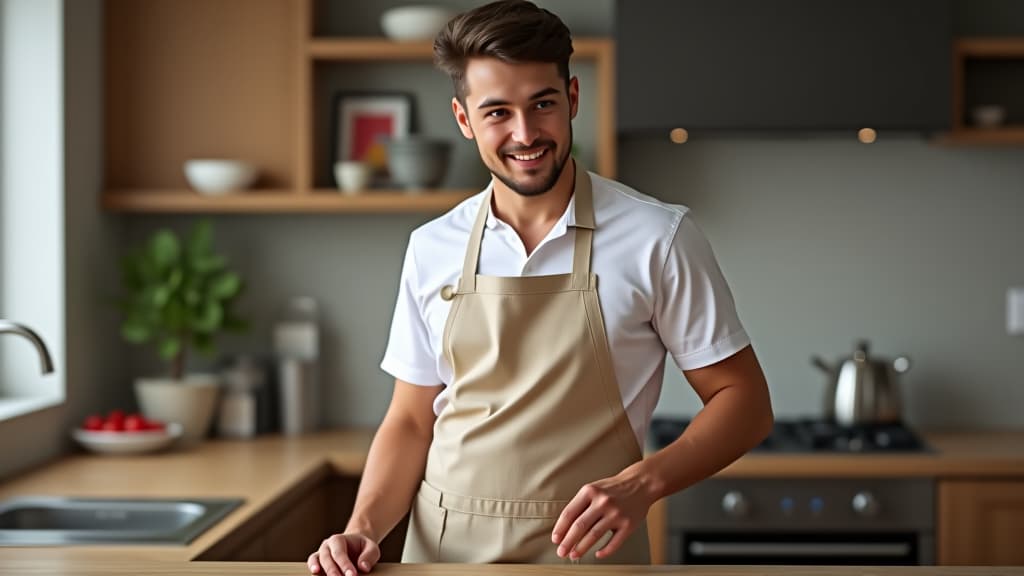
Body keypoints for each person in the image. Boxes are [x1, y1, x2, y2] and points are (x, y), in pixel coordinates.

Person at [309, 1, 772, 572]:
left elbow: (745, 403)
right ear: (463, 119)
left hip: (589, 551)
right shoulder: (432, 246)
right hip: (445, 551)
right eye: (497, 112)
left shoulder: (659, 236)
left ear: (572, 99)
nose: (525, 134)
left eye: (543, 105)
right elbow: (409, 420)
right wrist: (362, 529)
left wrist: (642, 484)